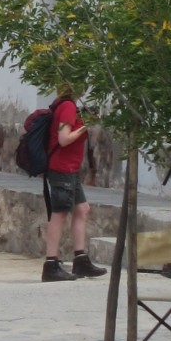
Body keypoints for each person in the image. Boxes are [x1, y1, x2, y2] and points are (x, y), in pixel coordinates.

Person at [41, 92, 108, 283]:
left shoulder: (65, 105)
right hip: (62, 168)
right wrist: (86, 126)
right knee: (60, 213)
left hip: (70, 169)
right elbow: (64, 139)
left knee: (82, 209)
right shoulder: (68, 107)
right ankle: (51, 264)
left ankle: (80, 259)